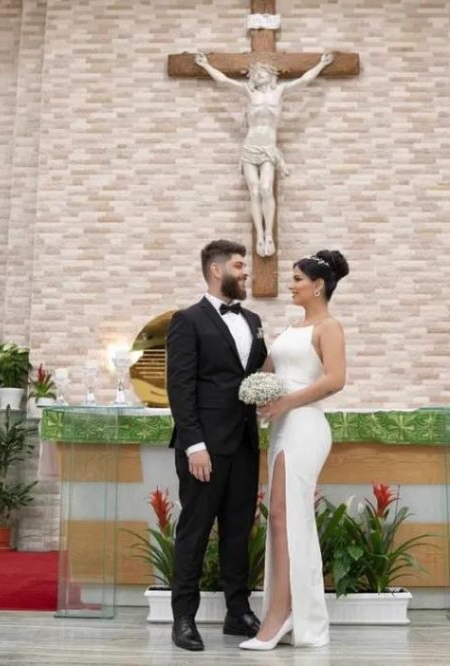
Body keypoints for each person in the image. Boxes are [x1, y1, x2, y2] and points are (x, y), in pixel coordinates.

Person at [240, 249, 349, 650]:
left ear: (318, 286)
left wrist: (285, 402)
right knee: (281, 518)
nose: (291, 285)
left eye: (298, 279)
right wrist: (256, 390)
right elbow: (268, 372)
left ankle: (281, 614)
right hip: (283, 426)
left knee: (286, 517)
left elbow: (335, 379)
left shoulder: (329, 327)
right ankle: (288, 612)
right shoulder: (292, 328)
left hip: (304, 426)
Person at [166, 239, 269, 651]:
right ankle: (183, 618)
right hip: (204, 447)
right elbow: (180, 387)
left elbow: (257, 371)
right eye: (239, 266)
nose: (245, 272)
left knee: (238, 530)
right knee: (194, 531)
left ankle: (237, 612)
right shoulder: (187, 320)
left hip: (244, 443)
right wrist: (194, 445)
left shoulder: (253, 319)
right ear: (216, 270)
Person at [194, 52, 334, 257]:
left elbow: (304, 80)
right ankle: (259, 235)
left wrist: (321, 64)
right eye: (255, 73)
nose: (258, 75)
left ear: (271, 75)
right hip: (249, 147)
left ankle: (269, 234)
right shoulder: (249, 92)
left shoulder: (280, 91)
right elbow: (223, 81)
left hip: (268, 148)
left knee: (266, 188)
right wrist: (205, 65)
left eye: (262, 72)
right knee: (254, 191)